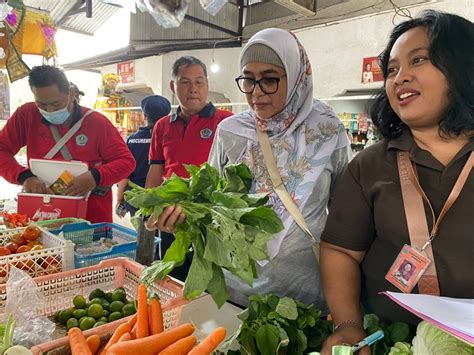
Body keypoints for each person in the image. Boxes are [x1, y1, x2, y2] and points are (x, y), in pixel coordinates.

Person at [151, 28, 351, 308]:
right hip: (235, 290)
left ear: (295, 76)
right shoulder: (231, 131)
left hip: (303, 295)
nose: (256, 93)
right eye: (248, 79)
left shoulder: (328, 132)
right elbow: (208, 198)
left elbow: (347, 216)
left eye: (269, 79)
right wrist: (183, 215)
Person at [320, 10, 473, 354]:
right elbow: (340, 250)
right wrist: (348, 324)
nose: (400, 77)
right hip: (388, 342)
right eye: (391, 70)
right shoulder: (369, 166)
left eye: (418, 60)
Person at [0, 65, 136, 223]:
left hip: (91, 216)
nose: (49, 110)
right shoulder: (26, 115)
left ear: (71, 94)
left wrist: (95, 177)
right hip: (42, 215)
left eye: (56, 104)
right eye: (41, 105)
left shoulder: (96, 122)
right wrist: (24, 177)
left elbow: (127, 162)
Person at [145, 56, 233, 280]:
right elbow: (156, 169)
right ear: (172, 86)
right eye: (185, 82)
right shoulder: (162, 126)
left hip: (210, 222)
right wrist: (150, 208)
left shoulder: (227, 122)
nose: (193, 89)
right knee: (175, 277)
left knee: (213, 281)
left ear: (207, 85)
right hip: (171, 220)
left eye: (199, 82)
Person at [116, 95, 171, 216]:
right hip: (164, 198)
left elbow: (125, 174)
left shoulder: (131, 140)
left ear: (144, 116)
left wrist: (120, 198)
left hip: (136, 197)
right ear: (167, 116)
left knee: (142, 233)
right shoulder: (171, 140)